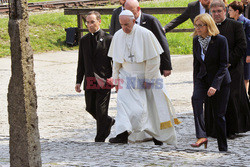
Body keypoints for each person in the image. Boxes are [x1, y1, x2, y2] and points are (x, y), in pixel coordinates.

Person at [108, 10, 181, 145]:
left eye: (127, 24)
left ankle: (158, 136)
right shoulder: (118, 36)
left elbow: (153, 59)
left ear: (133, 21)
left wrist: (149, 79)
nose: (124, 28)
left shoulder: (145, 34)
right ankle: (122, 134)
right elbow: (116, 61)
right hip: (126, 76)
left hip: (145, 75)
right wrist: (116, 80)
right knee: (122, 104)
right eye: (122, 25)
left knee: (152, 108)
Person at [206, 0, 250, 139]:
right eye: (214, 11)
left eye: (219, 11)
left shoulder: (236, 25)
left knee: (231, 97)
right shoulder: (207, 27)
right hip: (214, 70)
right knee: (213, 98)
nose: (217, 14)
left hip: (233, 68)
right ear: (210, 12)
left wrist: (227, 62)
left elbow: (241, 46)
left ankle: (232, 128)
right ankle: (213, 129)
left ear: (224, 11)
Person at [191, 13, 231, 152]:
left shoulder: (221, 40)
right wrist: (196, 83)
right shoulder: (196, 41)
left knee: (218, 115)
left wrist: (215, 85)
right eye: (196, 25)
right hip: (202, 79)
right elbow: (196, 64)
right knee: (196, 99)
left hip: (220, 81)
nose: (197, 28)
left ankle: (223, 147)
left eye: (200, 25)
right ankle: (202, 136)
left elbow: (223, 65)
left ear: (208, 26)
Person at [75, 11, 114, 142]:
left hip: (104, 80)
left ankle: (100, 137)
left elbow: (115, 61)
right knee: (90, 107)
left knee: (101, 109)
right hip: (89, 80)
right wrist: (78, 81)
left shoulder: (109, 39)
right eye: (87, 22)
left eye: (92, 22)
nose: (89, 24)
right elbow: (81, 62)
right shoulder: (84, 40)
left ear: (99, 21)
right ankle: (108, 121)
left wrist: (115, 78)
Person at [124, 0, 172, 77]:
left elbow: (162, 42)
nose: (128, 14)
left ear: (138, 9)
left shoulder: (151, 21)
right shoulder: (124, 22)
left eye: (131, 11)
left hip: (150, 63)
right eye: (126, 11)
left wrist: (167, 66)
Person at [228, 1, 250, 92]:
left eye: (230, 10)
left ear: (236, 11)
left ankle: (245, 96)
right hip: (235, 53)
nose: (228, 12)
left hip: (245, 54)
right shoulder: (231, 23)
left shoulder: (247, 22)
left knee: (245, 76)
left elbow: (249, 40)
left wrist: (249, 54)